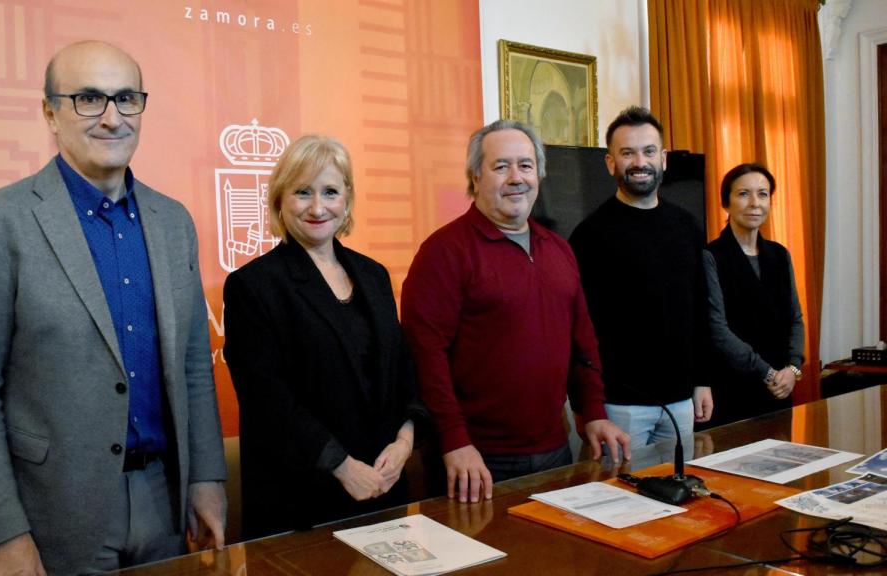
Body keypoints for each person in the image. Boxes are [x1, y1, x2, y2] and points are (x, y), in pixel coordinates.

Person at [0, 41, 227, 575]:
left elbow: (193, 368)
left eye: (126, 98)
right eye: (89, 99)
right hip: (51, 515)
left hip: (165, 502)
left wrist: (206, 479)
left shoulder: (173, 222)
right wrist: (0, 533)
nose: (112, 117)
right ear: (50, 112)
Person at [400, 119, 629, 504]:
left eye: (525, 165)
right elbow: (425, 356)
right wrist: (455, 439)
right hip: (474, 460)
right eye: (500, 166)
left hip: (556, 451)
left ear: (539, 173)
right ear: (475, 176)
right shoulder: (443, 252)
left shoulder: (559, 249)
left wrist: (593, 412)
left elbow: (582, 342)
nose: (515, 177)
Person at [223, 135, 428, 539]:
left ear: (347, 199)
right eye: (303, 192)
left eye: (330, 191)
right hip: (301, 504)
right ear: (280, 200)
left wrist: (405, 441)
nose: (318, 207)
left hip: (384, 492)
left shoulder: (374, 275)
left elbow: (403, 373)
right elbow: (268, 401)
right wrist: (342, 466)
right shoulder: (253, 285)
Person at [569, 106, 712, 459]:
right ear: (610, 163)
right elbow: (575, 328)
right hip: (619, 407)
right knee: (620, 506)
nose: (639, 162)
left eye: (648, 151)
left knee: (682, 503)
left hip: (682, 400)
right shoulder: (589, 236)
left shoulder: (688, 226)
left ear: (663, 159)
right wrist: (589, 407)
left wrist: (702, 379)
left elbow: (700, 309)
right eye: (627, 152)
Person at [703, 163, 804, 426]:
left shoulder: (780, 255)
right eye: (743, 194)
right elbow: (717, 329)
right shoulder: (711, 256)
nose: (754, 203)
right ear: (726, 203)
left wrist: (792, 369)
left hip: (781, 388)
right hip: (732, 389)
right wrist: (768, 373)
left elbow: (795, 317)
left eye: (762, 194)